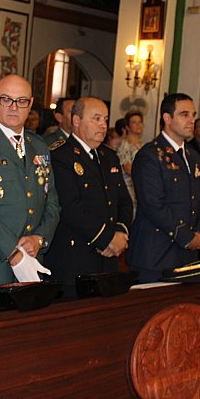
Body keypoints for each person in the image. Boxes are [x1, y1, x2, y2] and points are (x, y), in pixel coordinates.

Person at [0, 74, 60, 309]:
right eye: (7, 100)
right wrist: (12, 252)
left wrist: (39, 239)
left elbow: (52, 203)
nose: (14, 107)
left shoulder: (39, 145)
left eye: (22, 101)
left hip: (33, 264)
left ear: (31, 104)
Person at [45, 97, 132, 296]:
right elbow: (70, 207)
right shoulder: (61, 156)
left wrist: (120, 233)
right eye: (96, 118)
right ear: (76, 121)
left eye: (105, 119)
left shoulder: (108, 156)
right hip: (76, 260)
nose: (103, 125)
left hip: (108, 258)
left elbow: (124, 202)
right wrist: (106, 239)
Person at [126, 93, 200, 282]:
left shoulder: (192, 155)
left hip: (186, 254)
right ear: (167, 118)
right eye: (184, 114)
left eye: (193, 115)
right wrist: (187, 236)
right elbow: (153, 204)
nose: (191, 121)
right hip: (156, 253)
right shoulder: (150, 155)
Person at [116, 109, 144, 210]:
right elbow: (128, 168)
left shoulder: (143, 145)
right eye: (134, 122)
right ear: (127, 126)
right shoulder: (124, 144)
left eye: (140, 122)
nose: (138, 125)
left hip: (140, 187)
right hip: (129, 189)